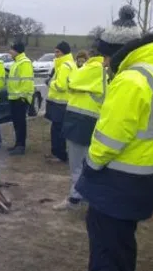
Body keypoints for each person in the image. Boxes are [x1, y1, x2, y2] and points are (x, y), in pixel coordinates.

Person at [75, 5, 153, 271]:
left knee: (106, 251)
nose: (103, 62)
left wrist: (90, 164)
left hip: (117, 184)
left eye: (104, 55)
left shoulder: (131, 80)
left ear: (116, 51)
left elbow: (110, 138)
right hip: (146, 179)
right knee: (123, 246)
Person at [53, 41, 107, 211]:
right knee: (88, 162)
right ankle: (87, 196)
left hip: (80, 120)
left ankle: (75, 199)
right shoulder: (104, 71)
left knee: (77, 164)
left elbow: (70, 82)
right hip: (92, 120)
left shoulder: (93, 68)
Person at [44, 41, 77, 162]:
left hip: (60, 103)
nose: (55, 54)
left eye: (57, 51)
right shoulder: (70, 64)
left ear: (64, 52)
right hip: (64, 102)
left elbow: (61, 85)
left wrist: (49, 83)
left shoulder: (65, 66)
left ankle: (59, 155)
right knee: (58, 129)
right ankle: (58, 153)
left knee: (57, 130)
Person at [6, 42, 34, 155]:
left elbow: (26, 81)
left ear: (17, 50)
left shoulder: (25, 62)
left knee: (21, 123)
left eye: (11, 50)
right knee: (16, 123)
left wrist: (23, 97)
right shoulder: (16, 62)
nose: (9, 52)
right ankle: (17, 144)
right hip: (14, 97)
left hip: (20, 99)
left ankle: (21, 146)